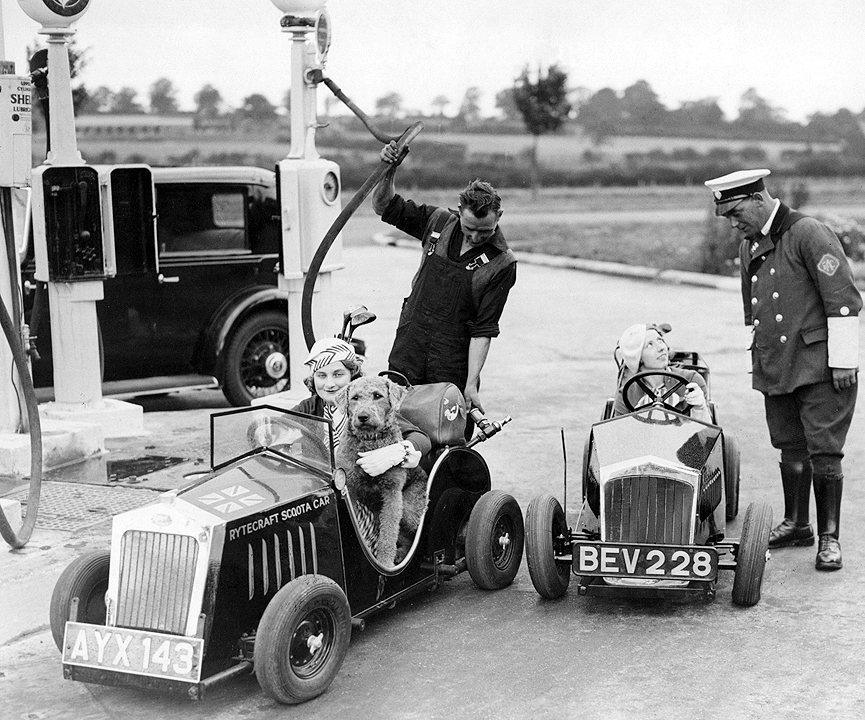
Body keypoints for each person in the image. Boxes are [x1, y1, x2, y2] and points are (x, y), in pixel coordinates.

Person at [704, 168, 861, 571]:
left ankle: (829, 538)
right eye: (726, 216)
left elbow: (843, 301)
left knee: (824, 450)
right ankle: (797, 524)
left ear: (758, 199)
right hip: (777, 363)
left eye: (736, 213)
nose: (733, 223)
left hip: (821, 366)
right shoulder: (750, 247)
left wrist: (844, 360)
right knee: (789, 445)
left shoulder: (809, 233)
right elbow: (754, 313)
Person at [372, 140, 517, 422]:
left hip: (451, 364)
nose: (475, 237)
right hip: (409, 349)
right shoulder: (437, 222)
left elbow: (484, 329)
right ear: (459, 211)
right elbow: (383, 206)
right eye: (469, 228)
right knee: (396, 426)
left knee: (445, 435)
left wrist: (471, 384)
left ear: (499, 216)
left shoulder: (502, 263)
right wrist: (389, 169)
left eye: (484, 232)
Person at [292, 338, 431, 475]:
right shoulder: (308, 407)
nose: (329, 384)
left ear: (352, 375)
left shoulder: (366, 407)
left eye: (338, 374)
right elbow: (280, 426)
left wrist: (397, 452)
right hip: (318, 481)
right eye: (321, 376)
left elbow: (421, 438)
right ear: (313, 379)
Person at [613, 323, 712, 422]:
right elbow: (620, 430)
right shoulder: (625, 395)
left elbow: (706, 430)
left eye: (660, 340)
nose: (661, 348)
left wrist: (699, 408)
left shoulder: (692, 380)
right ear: (638, 358)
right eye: (649, 345)